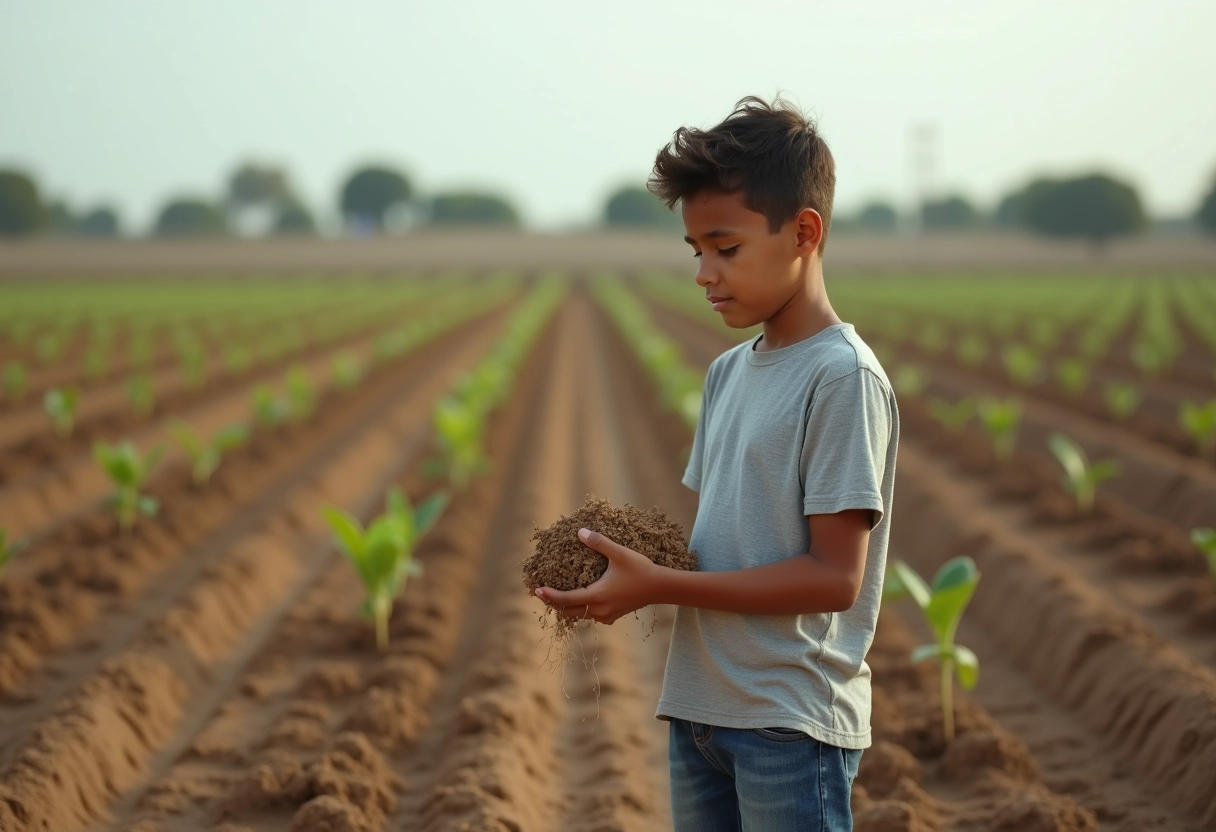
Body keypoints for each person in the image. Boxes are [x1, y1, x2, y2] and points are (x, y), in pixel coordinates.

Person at [533, 94, 899, 832]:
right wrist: (619, 566)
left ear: (804, 232)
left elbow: (834, 578)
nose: (705, 272)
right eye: (695, 250)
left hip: (789, 724)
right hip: (700, 710)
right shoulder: (729, 372)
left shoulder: (842, 378)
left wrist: (657, 585)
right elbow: (723, 546)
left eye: (726, 248)